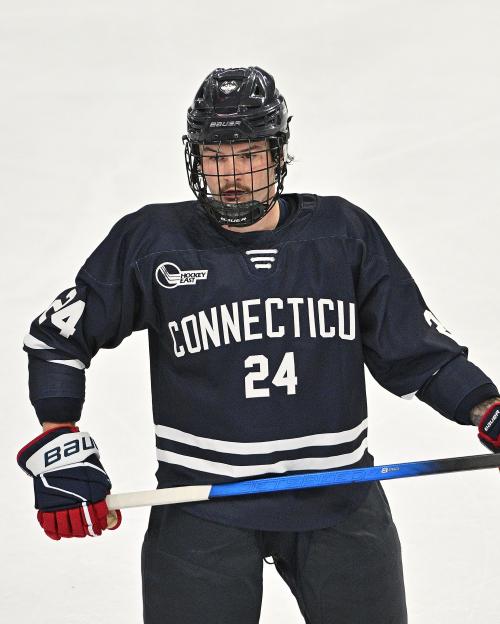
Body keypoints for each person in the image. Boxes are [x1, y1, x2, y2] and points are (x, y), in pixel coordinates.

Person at [18, 66, 500, 624]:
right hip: (200, 507)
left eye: (248, 154)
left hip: (339, 497)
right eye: (215, 156)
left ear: (278, 153)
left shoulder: (343, 236)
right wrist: (60, 437)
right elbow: (57, 338)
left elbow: (419, 352)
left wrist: (486, 409)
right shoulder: (153, 242)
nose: (232, 175)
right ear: (195, 158)